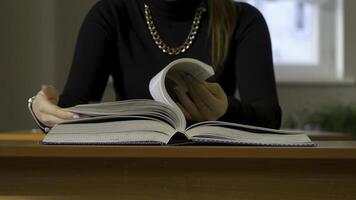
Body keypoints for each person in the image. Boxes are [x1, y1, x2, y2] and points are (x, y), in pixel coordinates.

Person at [30, 0, 282, 130]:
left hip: (214, 168)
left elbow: (269, 117)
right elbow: (73, 109)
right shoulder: (109, 14)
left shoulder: (244, 20)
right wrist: (42, 109)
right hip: (129, 168)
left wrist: (227, 109)